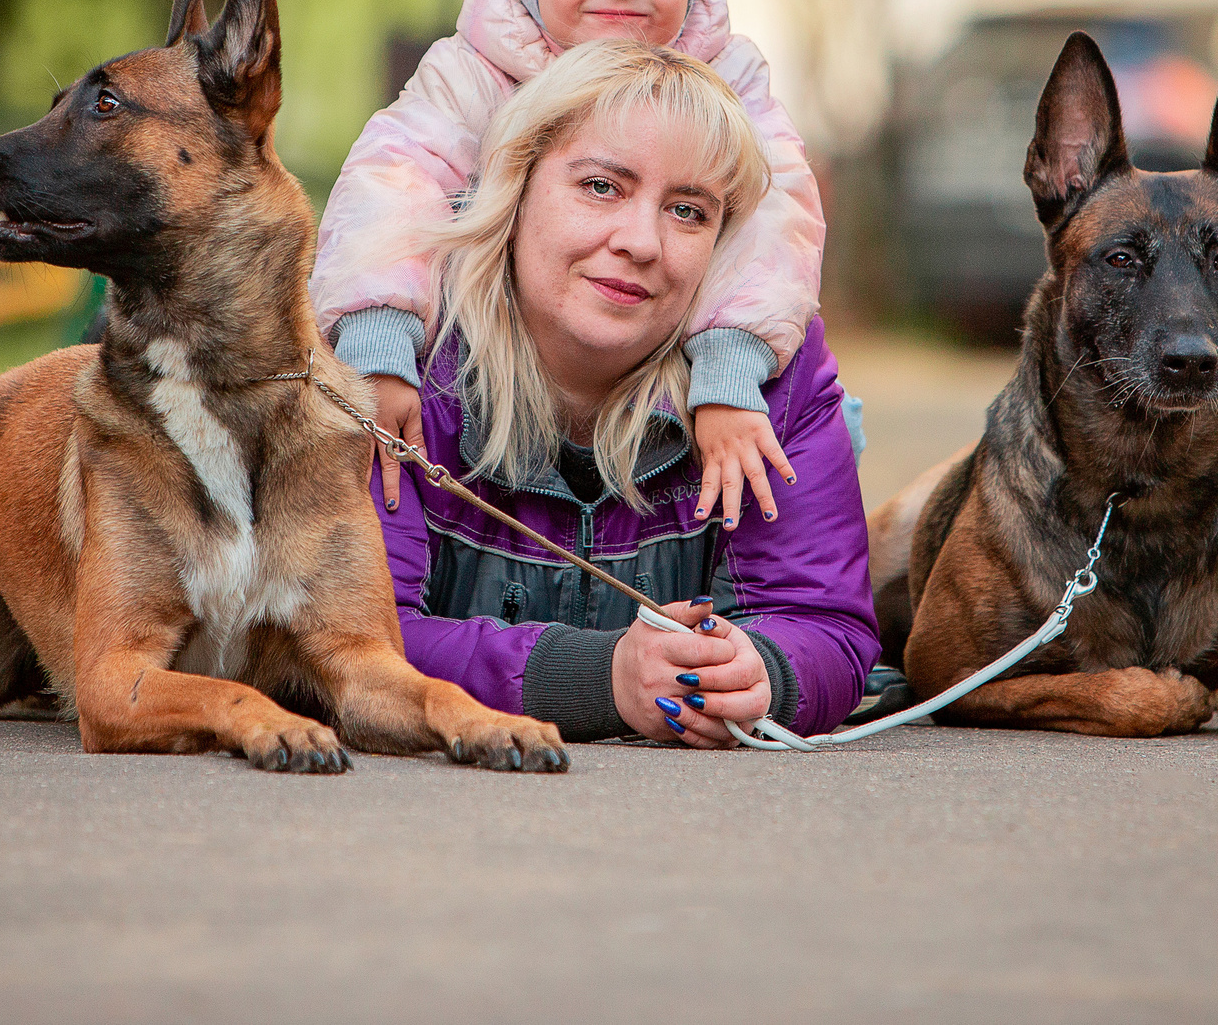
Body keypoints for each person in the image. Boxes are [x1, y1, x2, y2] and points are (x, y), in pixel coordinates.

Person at [312, 0, 827, 530]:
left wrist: (731, 366)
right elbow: (394, 183)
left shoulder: (728, 78)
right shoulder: (476, 70)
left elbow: (777, 218)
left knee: (802, 429)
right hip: (498, 373)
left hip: (663, 373)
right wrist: (378, 337)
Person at [372, 38, 875, 747]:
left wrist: (763, 672)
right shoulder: (397, 370)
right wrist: (597, 678)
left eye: (688, 211)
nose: (641, 241)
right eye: (602, 186)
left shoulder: (772, 382)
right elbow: (348, 640)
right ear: (514, 187)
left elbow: (826, 623)